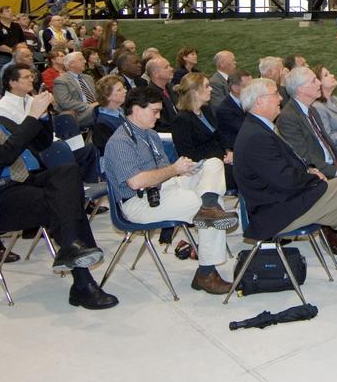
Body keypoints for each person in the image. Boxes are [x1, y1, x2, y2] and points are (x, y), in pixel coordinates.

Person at [0, 76, 115, 309]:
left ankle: (71, 252)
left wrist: (43, 116)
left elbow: (41, 143)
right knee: (63, 204)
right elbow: (3, 156)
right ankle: (83, 283)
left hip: (24, 183)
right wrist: (31, 116)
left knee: (68, 172)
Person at [233, 78, 337, 300]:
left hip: (285, 201)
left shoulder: (259, 129)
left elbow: (282, 173)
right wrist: (311, 177)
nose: (281, 98)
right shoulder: (256, 136)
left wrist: (308, 172)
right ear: (260, 102)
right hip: (276, 212)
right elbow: (283, 180)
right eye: (275, 94)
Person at [105, 85, 238, 295]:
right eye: (155, 111)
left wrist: (183, 170)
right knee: (198, 204)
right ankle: (206, 273)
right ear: (137, 110)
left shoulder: (149, 134)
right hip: (139, 202)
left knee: (212, 163)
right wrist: (174, 169)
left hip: (164, 187)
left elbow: (165, 172)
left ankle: (210, 205)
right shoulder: (120, 142)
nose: (158, 117)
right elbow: (136, 182)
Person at [52, 52, 98, 127]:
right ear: (71, 64)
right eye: (81, 60)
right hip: (78, 113)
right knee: (103, 110)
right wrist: (88, 106)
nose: (85, 61)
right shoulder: (61, 81)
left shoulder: (88, 78)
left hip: (95, 108)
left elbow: (97, 95)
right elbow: (65, 103)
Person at [212, 70, 251, 150]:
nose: (253, 89)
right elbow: (246, 129)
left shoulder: (251, 100)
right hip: (241, 147)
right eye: (248, 86)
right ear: (235, 88)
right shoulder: (224, 110)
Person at [90, 74, 127, 154]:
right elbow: (111, 152)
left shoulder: (121, 110)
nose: (125, 91)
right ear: (107, 96)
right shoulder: (101, 124)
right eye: (119, 90)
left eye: (123, 88)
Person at [0, 6, 21, 89]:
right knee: (0, 81)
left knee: (15, 79)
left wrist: (20, 51)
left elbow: (22, 40)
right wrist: (12, 51)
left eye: (11, 11)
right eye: (7, 11)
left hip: (16, 57)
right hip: (0, 58)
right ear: (0, 14)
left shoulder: (16, 26)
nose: (10, 13)